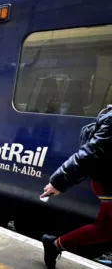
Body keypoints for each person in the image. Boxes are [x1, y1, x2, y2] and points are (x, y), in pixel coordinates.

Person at [41, 106, 112, 269]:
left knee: (105, 229)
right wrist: (58, 182)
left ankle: (54, 244)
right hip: (109, 183)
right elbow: (91, 152)